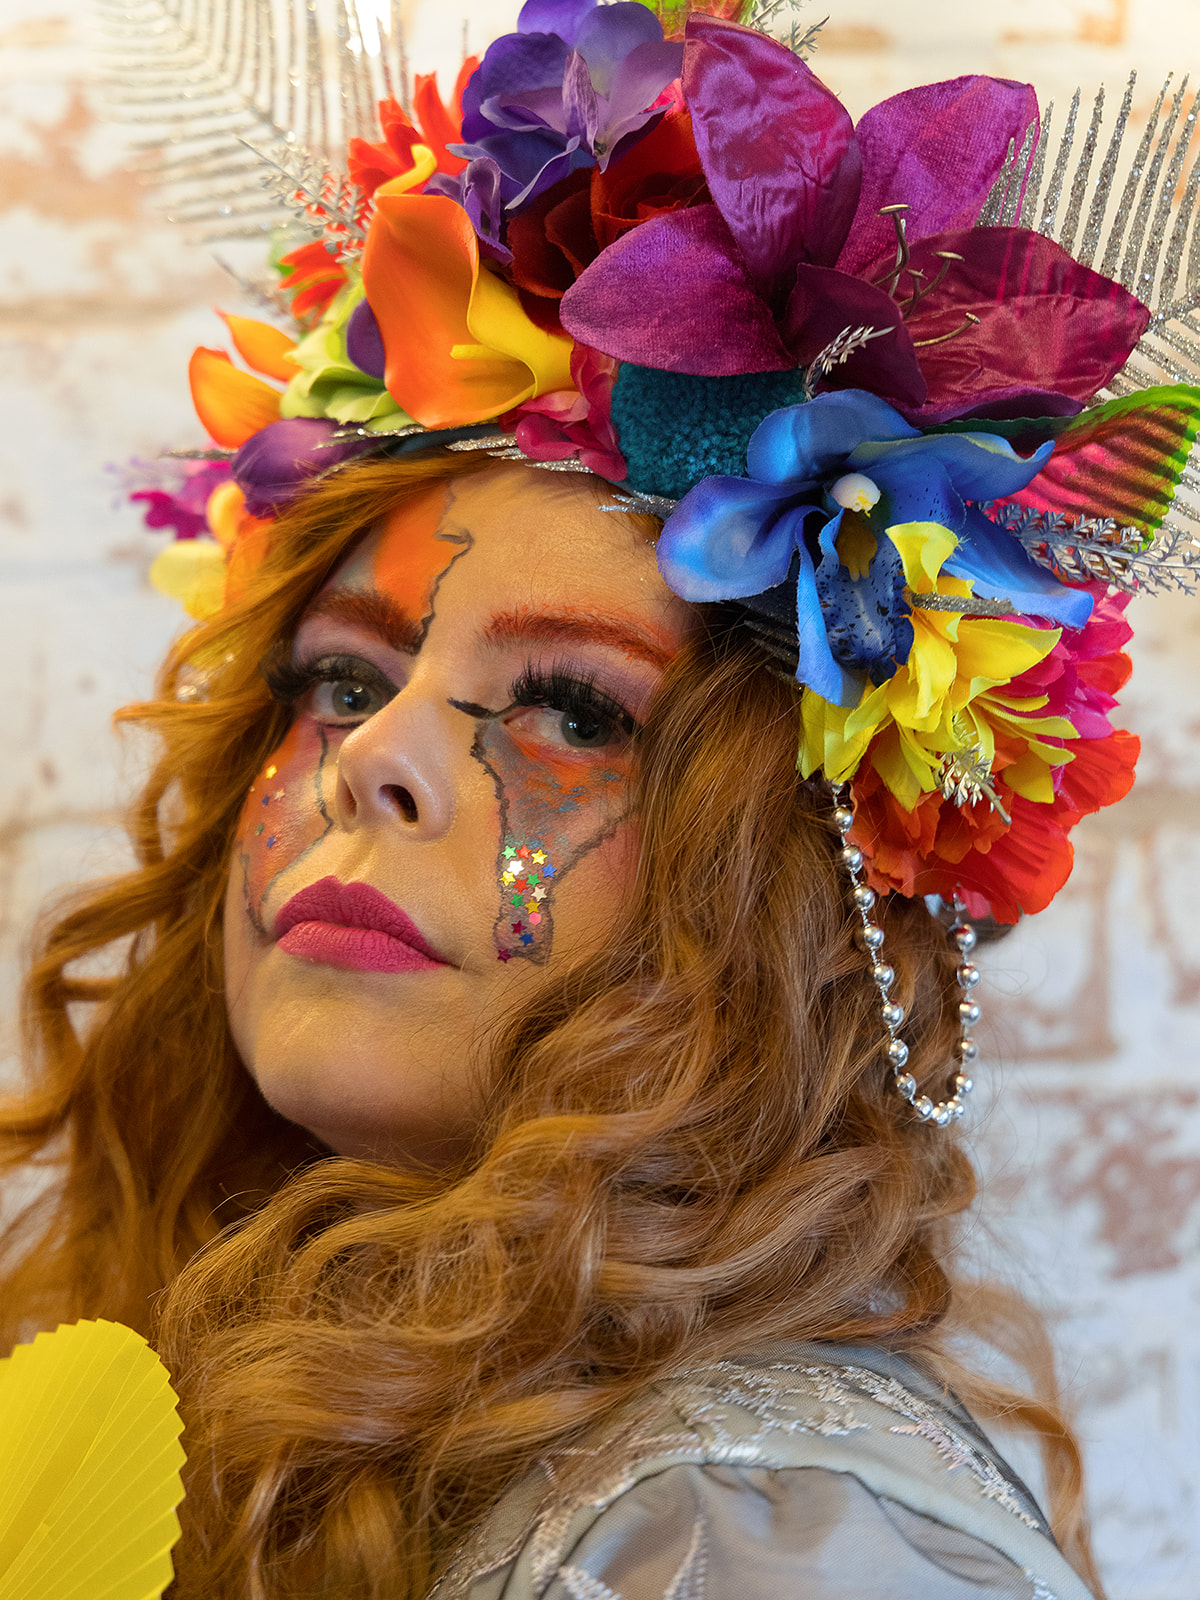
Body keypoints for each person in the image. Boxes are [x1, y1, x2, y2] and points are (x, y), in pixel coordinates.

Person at [2, 2, 1196, 1596]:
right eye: (344, 681)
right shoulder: (239, 1385)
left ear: (779, 900)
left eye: (571, 707)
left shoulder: (751, 1548)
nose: (376, 759)